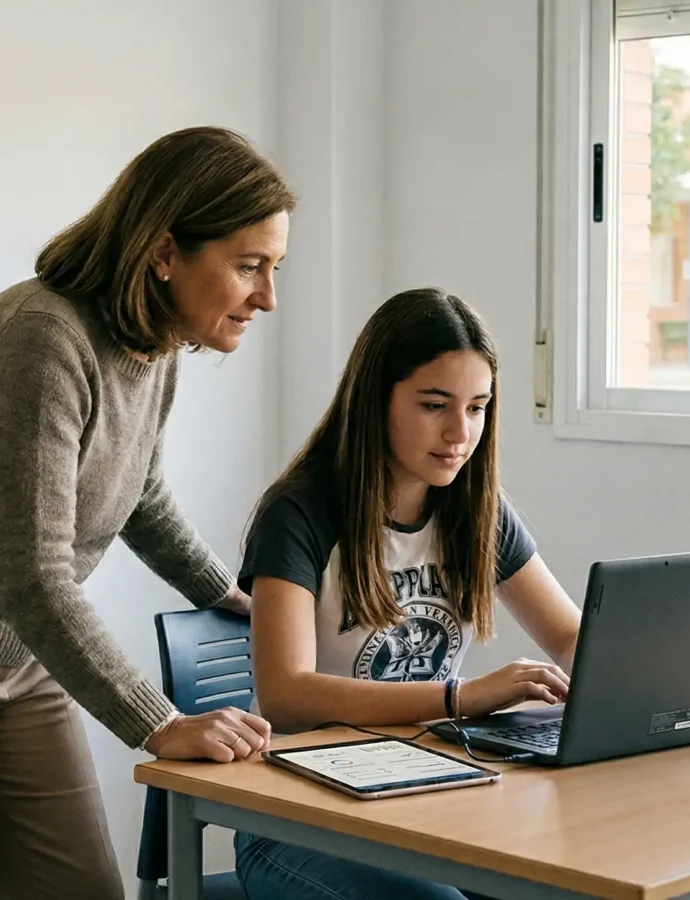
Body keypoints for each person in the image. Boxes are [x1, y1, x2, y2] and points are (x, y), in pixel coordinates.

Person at [0, 126, 296, 900]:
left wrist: (226, 594)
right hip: (26, 621)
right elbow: (31, 574)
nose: (268, 296)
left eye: (275, 268)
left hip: (17, 664)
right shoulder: (42, 339)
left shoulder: (151, 346)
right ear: (165, 253)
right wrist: (158, 722)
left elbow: (140, 495)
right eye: (248, 266)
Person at [234, 287, 582, 900]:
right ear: (375, 400)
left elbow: (571, 637)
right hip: (296, 821)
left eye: (478, 408)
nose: (459, 432)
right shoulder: (300, 514)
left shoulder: (477, 512)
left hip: (428, 797)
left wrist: (629, 693)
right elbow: (285, 696)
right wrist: (462, 696)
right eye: (434, 405)